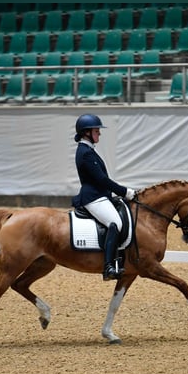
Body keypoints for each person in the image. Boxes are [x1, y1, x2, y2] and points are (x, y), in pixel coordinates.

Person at [71, 114, 136, 281]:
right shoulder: (85, 153)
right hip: (93, 197)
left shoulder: (89, 150)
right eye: (96, 131)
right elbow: (101, 180)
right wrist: (124, 191)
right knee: (115, 223)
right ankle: (108, 267)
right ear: (86, 132)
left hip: (100, 195)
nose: (99, 133)